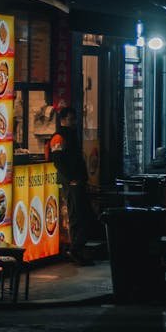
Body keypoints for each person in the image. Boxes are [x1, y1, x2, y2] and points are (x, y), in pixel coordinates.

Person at [49, 106, 95, 266]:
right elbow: (58, 161)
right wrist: (71, 178)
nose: (73, 122)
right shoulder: (59, 137)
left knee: (82, 214)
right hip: (72, 182)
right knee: (77, 215)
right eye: (70, 119)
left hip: (77, 180)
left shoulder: (70, 135)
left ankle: (78, 249)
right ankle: (76, 249)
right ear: (63, 120)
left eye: (74, 119)